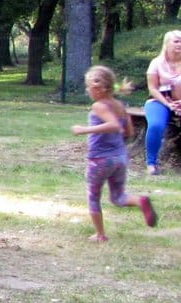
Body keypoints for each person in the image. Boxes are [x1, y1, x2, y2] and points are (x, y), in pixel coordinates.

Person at [72, 66, 158, 241]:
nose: (87, 90)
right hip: (119, 158)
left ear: (98, 88)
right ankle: (140, 201)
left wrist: (84, 130)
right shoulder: (119, 106)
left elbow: (114, 125)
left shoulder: (99, 106)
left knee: (93, 197)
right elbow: (129, 132)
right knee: (118, 197)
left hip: (100, 160)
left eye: (88, 87)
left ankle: (100, 235)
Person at [142, 30, 181, 175]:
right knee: (155, 125)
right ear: (167, 44)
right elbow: (152, 88)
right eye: (176, 41)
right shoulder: (156, 63)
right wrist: (168, 104)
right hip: (159, 101)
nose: (179, 44)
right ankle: (151, 163)